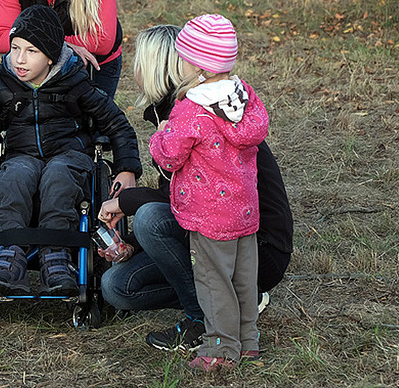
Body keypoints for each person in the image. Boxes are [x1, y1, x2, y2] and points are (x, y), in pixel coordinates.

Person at [98, 24, 292, 357]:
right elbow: (184, 195)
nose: (133, 70)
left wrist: (125, 201)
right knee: (117, 288)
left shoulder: (191, 112)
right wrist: (131, 245)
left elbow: (178, 199)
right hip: (233, 221)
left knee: (148, 219)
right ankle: (235, 311)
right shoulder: (225, 99)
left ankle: (206, 324)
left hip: (251, 239)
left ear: (163, 64)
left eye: (138, 60)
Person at [0, 5, 142, 297]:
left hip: (70, 155)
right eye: (15, 48)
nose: (19, 59)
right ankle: (9, 255)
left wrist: (127, 169)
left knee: (58, 174)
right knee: (15, 174)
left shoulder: (76, 82)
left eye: (31, 51)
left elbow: (118, 125)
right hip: (21, 155)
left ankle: (56, 255)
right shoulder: (1, 84)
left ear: (51, 55)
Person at [130, 14, 269, 371]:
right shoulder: (243, 97)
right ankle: (247, 342)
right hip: (244, 210)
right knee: (242, 278)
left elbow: (169, 156)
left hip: (209, 214)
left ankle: (220, 349)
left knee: (212, 282)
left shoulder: (192, 109)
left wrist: (158, 136)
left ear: (195, 64)